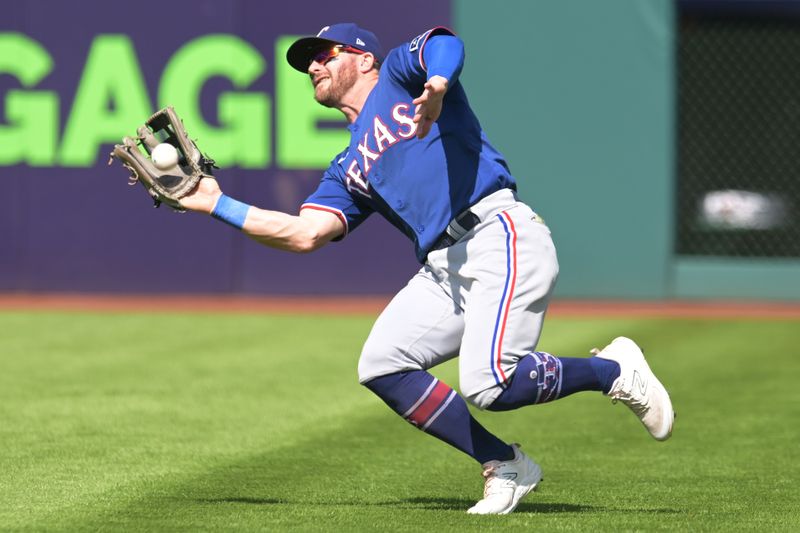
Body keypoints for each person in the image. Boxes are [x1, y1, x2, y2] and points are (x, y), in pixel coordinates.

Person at [179, 23, 675, 515]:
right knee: (383, 364)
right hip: (443, 266)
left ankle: (612, 371)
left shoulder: (400, 76)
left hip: (496, 233)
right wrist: (214, 202)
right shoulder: (348, 166)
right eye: (309, 61)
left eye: (326, 54)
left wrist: (436, 84)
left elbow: (444, 45)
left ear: (364, 58)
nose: (313, 66)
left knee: (491, 385)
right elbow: (303, 233)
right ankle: (504, 464)